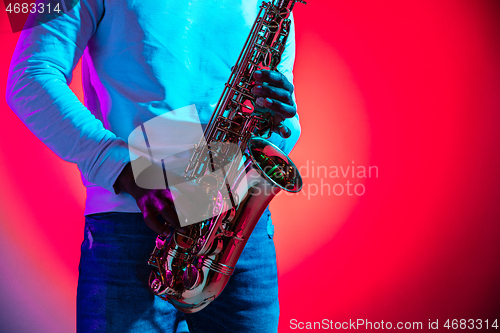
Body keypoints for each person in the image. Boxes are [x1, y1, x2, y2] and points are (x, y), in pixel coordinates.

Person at [6, 1, 301, 332]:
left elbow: (285, 121)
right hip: (132, 223)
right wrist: (124, 169)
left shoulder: (276, 7)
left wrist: (278, 116)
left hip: (236, 230)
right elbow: (28, 77)